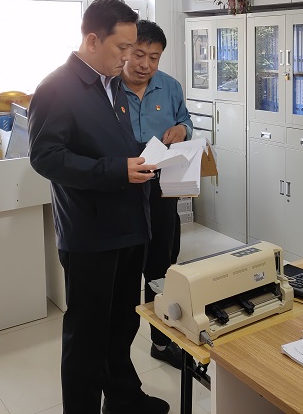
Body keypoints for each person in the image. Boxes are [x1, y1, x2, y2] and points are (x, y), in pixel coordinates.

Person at [28, 0, 169, 414]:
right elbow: (46, 158)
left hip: (128, 224)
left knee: (123, 323)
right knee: (87, 335)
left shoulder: (113, 85)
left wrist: (150, 158)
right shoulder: (56, 88)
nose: (129, 58)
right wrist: (115, 170)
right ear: (92, 40)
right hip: (90, 232)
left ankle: (123, 399)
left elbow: (113, 145)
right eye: (122, 48)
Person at [121, 20, 192, 370]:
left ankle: (162, 342)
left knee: (162, 264)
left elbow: (186, 122)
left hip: (162, 187)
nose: (145, 64)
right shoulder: (108, 87)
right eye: (139, 54)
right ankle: (119, 351)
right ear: (125, 51)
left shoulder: (170, 87)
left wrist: (182, 129)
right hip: (122, 189)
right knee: (125, 267)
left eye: (154, 57)